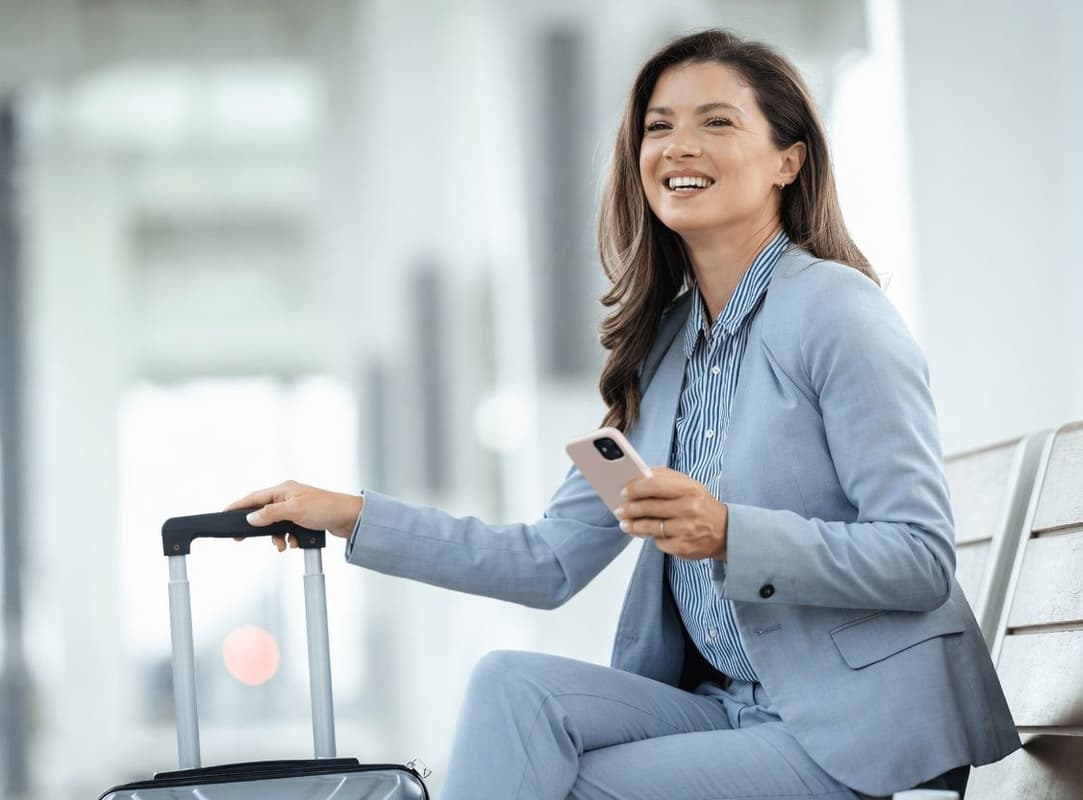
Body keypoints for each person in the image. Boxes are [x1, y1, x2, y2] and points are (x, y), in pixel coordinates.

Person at [228, 29, 1019, 800]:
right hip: (728, 712)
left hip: (847, 734)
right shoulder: (667, 348)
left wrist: (729, 534)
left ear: (789, 159)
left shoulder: (839, 312)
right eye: (658, 127)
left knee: (559, 785)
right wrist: (349, 514)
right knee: (512, 684)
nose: (678, 146)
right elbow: (546, 563)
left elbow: (920, 557)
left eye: (717, 121)